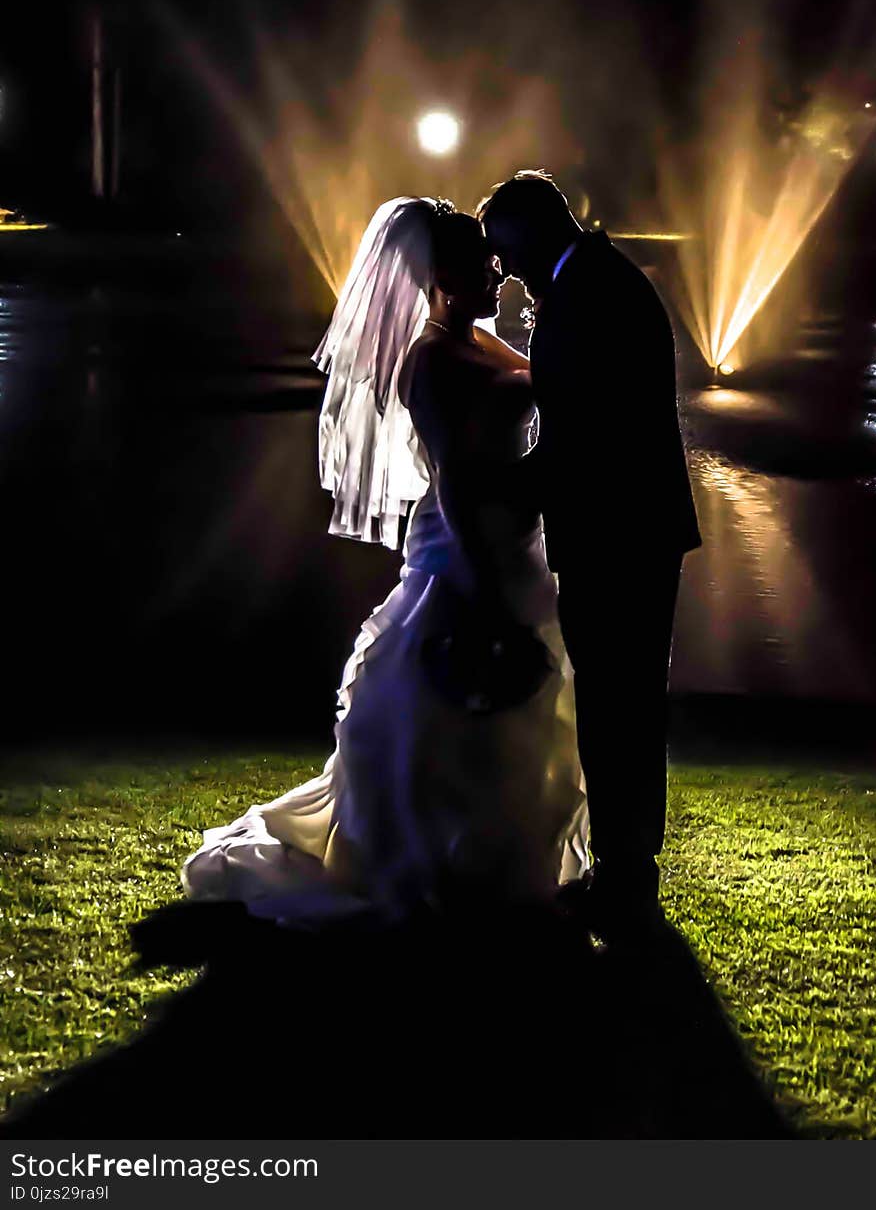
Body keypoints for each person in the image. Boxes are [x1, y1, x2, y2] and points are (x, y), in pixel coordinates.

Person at [182, 197, 588, 925]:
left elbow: (546, 382)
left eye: (496, 262)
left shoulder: (482, 342)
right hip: (468, 549)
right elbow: (459, 482)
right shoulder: (430, 361)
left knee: (515, 709)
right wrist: (487, 583)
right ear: (442, 276)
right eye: (482, 265)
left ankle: (498, 861)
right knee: (449, 697)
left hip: (515, 539)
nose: (498, 274)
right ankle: (430, 860)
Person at [478, 171, 701, 938]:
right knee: (624, 708)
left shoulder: (587, 297)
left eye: (505, 252)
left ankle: (627, 881)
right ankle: (627, 874)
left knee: (618, 708)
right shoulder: (601, 281)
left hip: (618, 536)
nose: (505, 272)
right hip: (633, 529)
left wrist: (497, 491)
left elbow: (582, 437)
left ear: (533, 232)